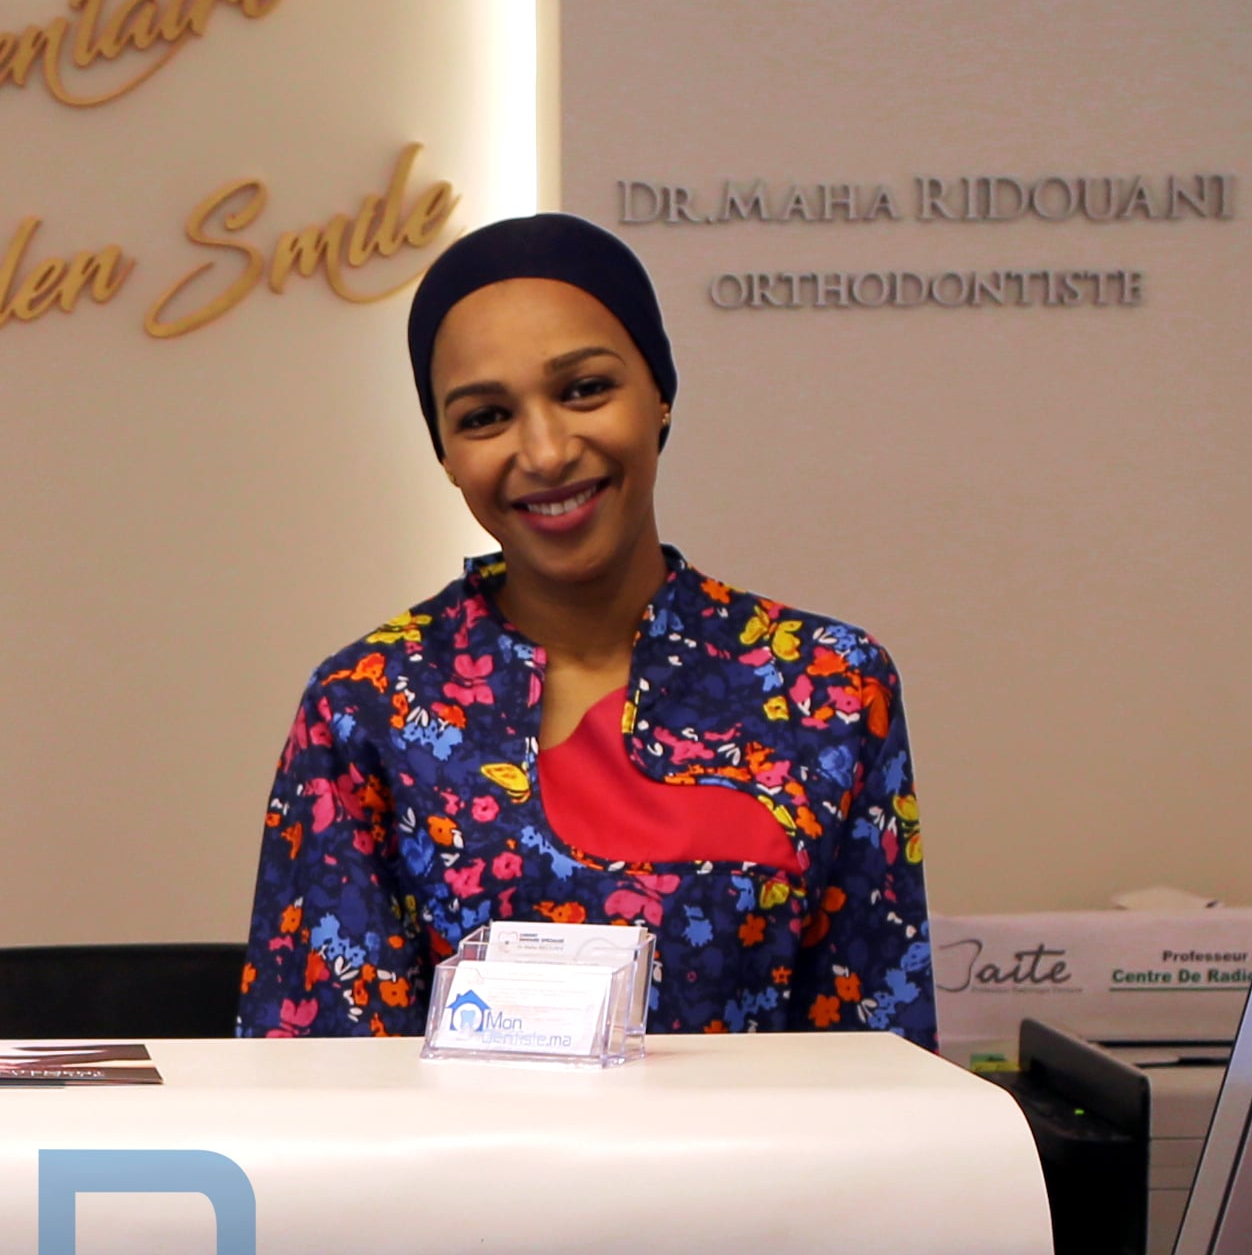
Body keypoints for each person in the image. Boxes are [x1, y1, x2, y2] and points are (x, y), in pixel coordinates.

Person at [234, 212, 933, 1040]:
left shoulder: (831, 686)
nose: (546, 452)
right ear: (446, 455)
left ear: (660, 395)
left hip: (772, 1136)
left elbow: (879, 1056)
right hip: (455, 1137)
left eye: (583, 390)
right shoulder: (366, 707)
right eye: (485, 416)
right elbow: (323, 1066)